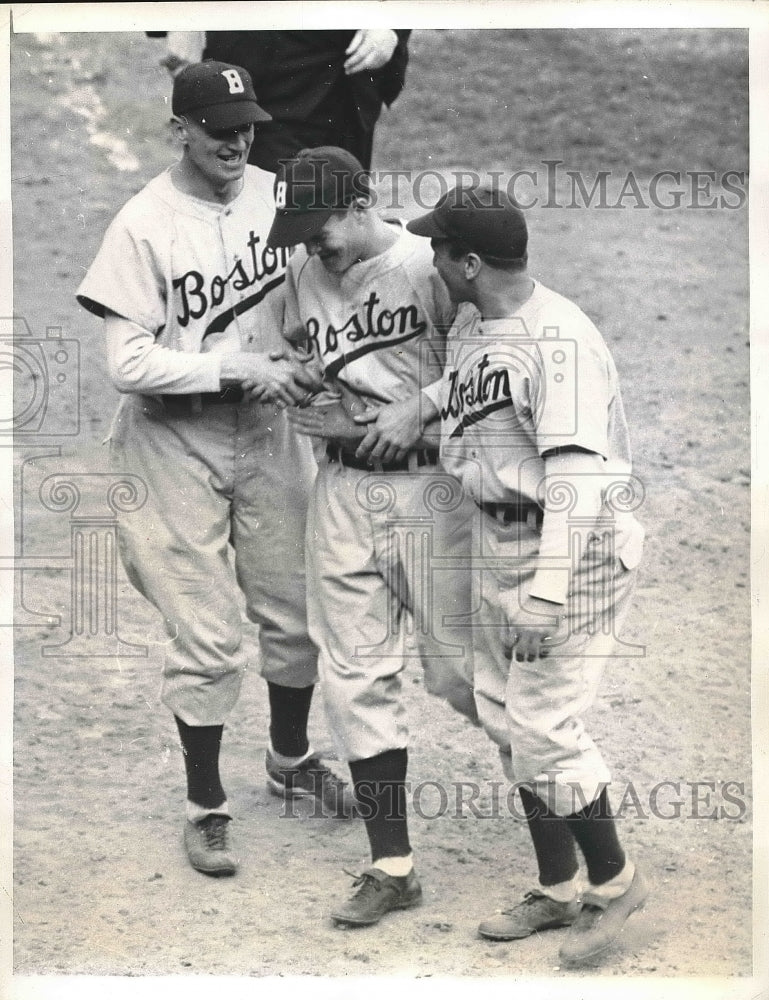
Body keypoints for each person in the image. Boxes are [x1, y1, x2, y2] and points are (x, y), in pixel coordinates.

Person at [76, 61, 356, 880]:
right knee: (206, 637)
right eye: (218, 127)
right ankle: (206, 805)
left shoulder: (276, 196)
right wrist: (237, 369)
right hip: (172, 443)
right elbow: (126, 362)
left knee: (297, 611)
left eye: (246, 125)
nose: (237, 140)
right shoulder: (143, 224)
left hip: (270, 432)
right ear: (180, 131)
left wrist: (313, 356)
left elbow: (321, 298)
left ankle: (290, 757)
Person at [393, 184, 649, 964]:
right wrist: (423, 405)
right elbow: (475, 386)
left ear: (469, 262)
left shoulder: (559, 341)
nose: (430, 258)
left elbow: (574, 480)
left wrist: (546, 596)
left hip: (570, 549)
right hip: (503, 539)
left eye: (439, 248)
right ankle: (558, 886)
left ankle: (616, 885)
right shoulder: (485, 320)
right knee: (507, 717)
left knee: (544, 728)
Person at [261, 146, 477, 926]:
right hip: (343, 491)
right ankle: (393, 865)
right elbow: (287, 344)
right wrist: (303, 379)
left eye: (318, 226)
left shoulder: (430, 264)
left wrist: (416, 407)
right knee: (354, 672)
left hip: (432, 491)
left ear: (360, 204)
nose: (309, 244)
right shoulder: (303, 273)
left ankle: (573, 825)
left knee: (465, 675)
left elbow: (504, 358)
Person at [148, 30, 411, 170]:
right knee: (260, 222)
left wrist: (391, 21)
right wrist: (180, 15)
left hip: (350, 73)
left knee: (340, 222)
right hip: (262, 69)